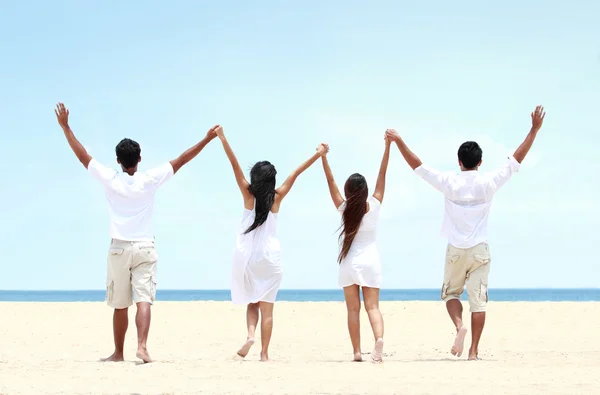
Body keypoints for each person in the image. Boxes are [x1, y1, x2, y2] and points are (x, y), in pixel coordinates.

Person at [54, 102, 220, 363]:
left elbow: (82, 155)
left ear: (118, 161)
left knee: (120, 304)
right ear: (139, 159)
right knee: (144, 298)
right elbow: (183, 159)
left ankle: (118, 353)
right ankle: (142, 347)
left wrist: (65, 127)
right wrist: (208, 138)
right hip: (144, 246)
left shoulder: (111, 179)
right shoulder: (149, 179)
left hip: (119, 248)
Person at [386, 105, 546, 360]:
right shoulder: (489, 181)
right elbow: (516, 160)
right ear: (480, 163)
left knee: (450, 294)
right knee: (479, 302)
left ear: (459, 162)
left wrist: (399, 141)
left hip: (456, 249)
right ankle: (473, 352)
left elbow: (418, 166)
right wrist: (534, 129)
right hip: (480, 248)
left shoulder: (449, 181)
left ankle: (460, 327)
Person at [214, 125, 327, 361]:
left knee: (251, 302)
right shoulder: (277, 196)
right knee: (268, 308)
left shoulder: (248, 195)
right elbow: (296, 173)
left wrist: (223, 138)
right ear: (272, 179)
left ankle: (250, 335)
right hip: (271, 258)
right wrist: (318, 154)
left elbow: (234, 165)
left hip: (249, 256)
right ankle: (264, 355)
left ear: (254, 179)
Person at [320, 132, 391, 363]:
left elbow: (330, 182)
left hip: (349, 263)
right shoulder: (376, 205)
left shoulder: (343, 208)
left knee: (353, 310)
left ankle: (357, 353)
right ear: (365, 191)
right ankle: (378, 339)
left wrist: (323, 158)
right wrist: (388, 146)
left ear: (348, 191)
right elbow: (382, 174)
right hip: (371, 261)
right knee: (373, 307)